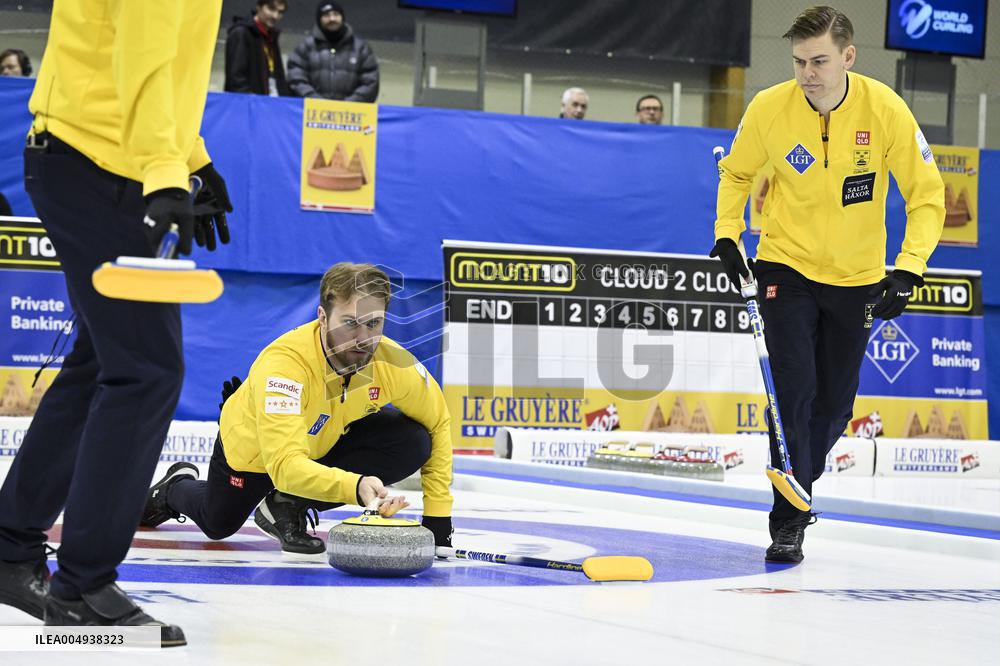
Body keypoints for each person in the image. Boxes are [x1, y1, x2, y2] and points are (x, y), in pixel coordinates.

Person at [0, 1, 231, 646]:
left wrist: (193, 157)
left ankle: (11, 544)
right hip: (95, 160)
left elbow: (165, 62)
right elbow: (143, 58)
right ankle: (81, 588)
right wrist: (166, 168)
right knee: (147, 370)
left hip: (96, 157)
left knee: (104, 361)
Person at [711, 6, 944, 563]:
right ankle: (788, 522)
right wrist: (727, 233)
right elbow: (738, 172)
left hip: (857, 276)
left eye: (819, 61)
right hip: (784, 268)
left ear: (848, 56)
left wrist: (909, 267)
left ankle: (797, 482)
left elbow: (927, 194)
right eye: (799, 62)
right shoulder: (769, 108)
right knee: (792, 390)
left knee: (836, 405)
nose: (808, 73)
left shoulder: (884, 108)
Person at [139, 263, 455, 557]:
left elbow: (439, 421)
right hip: (258, 456)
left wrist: (438, 519)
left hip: (321, 444)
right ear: (322, 317)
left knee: (414, 439)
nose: (362, 339)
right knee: (217, 524)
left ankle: (286, 504)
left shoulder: (392, 362)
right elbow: (286, 467)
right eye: (350, 324)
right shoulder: (285, 366)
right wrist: (354, 487)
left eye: (374, 323)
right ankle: (174, 487)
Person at [287, 1, 379, 102]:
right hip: (312, 113)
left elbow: (370, 82)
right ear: (319, 19)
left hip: (351, 114)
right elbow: (296, 79)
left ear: (342, 17)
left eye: (336, 14)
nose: (332, 19)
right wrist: (318, 102)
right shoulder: (305, 47)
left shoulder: (361, 48)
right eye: (326, 15)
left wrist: (346, 106)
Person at [225, 0, 292, 96]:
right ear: (259, 6)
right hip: (247, 105)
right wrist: (252, 102)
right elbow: (236, 79)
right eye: (271, 9)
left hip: (269, 103)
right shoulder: (241, 33)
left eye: (280, 12)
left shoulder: (271, 36)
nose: (275, 16)